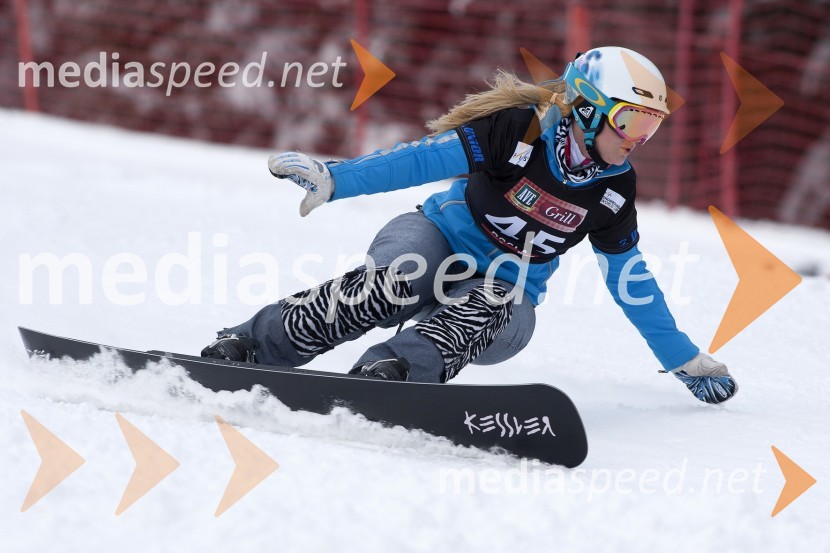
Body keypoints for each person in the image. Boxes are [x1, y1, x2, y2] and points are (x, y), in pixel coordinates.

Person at [201, 46, 738, 404]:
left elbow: (630, 279)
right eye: (631, 120)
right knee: (400, 278)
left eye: (652, 125)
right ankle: (257, 344)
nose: (638, 138)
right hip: (436, 241)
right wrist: (338, 180)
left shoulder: (614, 189)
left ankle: (394, 374)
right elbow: (420, 159)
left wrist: (683, 359)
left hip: (504, 289)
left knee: (498, 306)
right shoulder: (520, 130)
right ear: (587, 108)